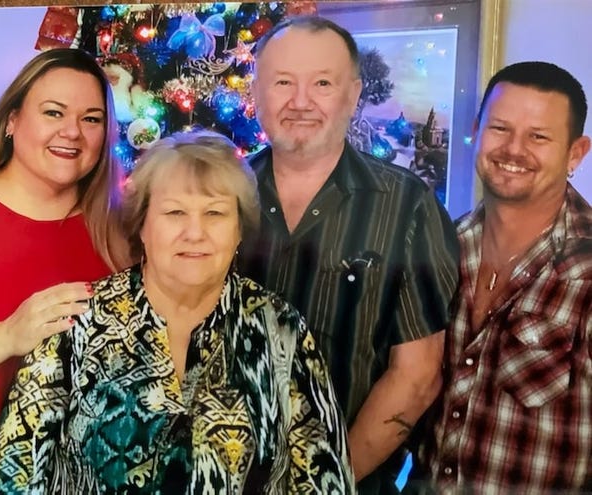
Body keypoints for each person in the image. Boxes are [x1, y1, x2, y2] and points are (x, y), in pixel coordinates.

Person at [0, 130, 354, 494]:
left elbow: (323, 477)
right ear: (142, 226)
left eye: (215, 213)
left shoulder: (280, 328)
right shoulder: (75, 322)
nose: (195, 232)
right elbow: (13, 473)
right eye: (175, 212)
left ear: (239, 229)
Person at [239, 15, 460, 493]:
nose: (300, 101)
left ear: (353, 94)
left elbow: (417, 376)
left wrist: (324, 482)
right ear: (256, 92)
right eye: (282, 82)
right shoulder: (220, 197)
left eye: (322, 83)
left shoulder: (408, 207)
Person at [0, 48, 130, 494]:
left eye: (92, 119)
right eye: (53, 112)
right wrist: (7, 337)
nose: (72, 132)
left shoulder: (121, 236)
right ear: (11, 121)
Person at [426, 61, 592, 493]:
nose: (514, 150)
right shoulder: (444, 245)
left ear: (575, 153)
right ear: (477, 130)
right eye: (500, 128)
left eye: (538, 136)